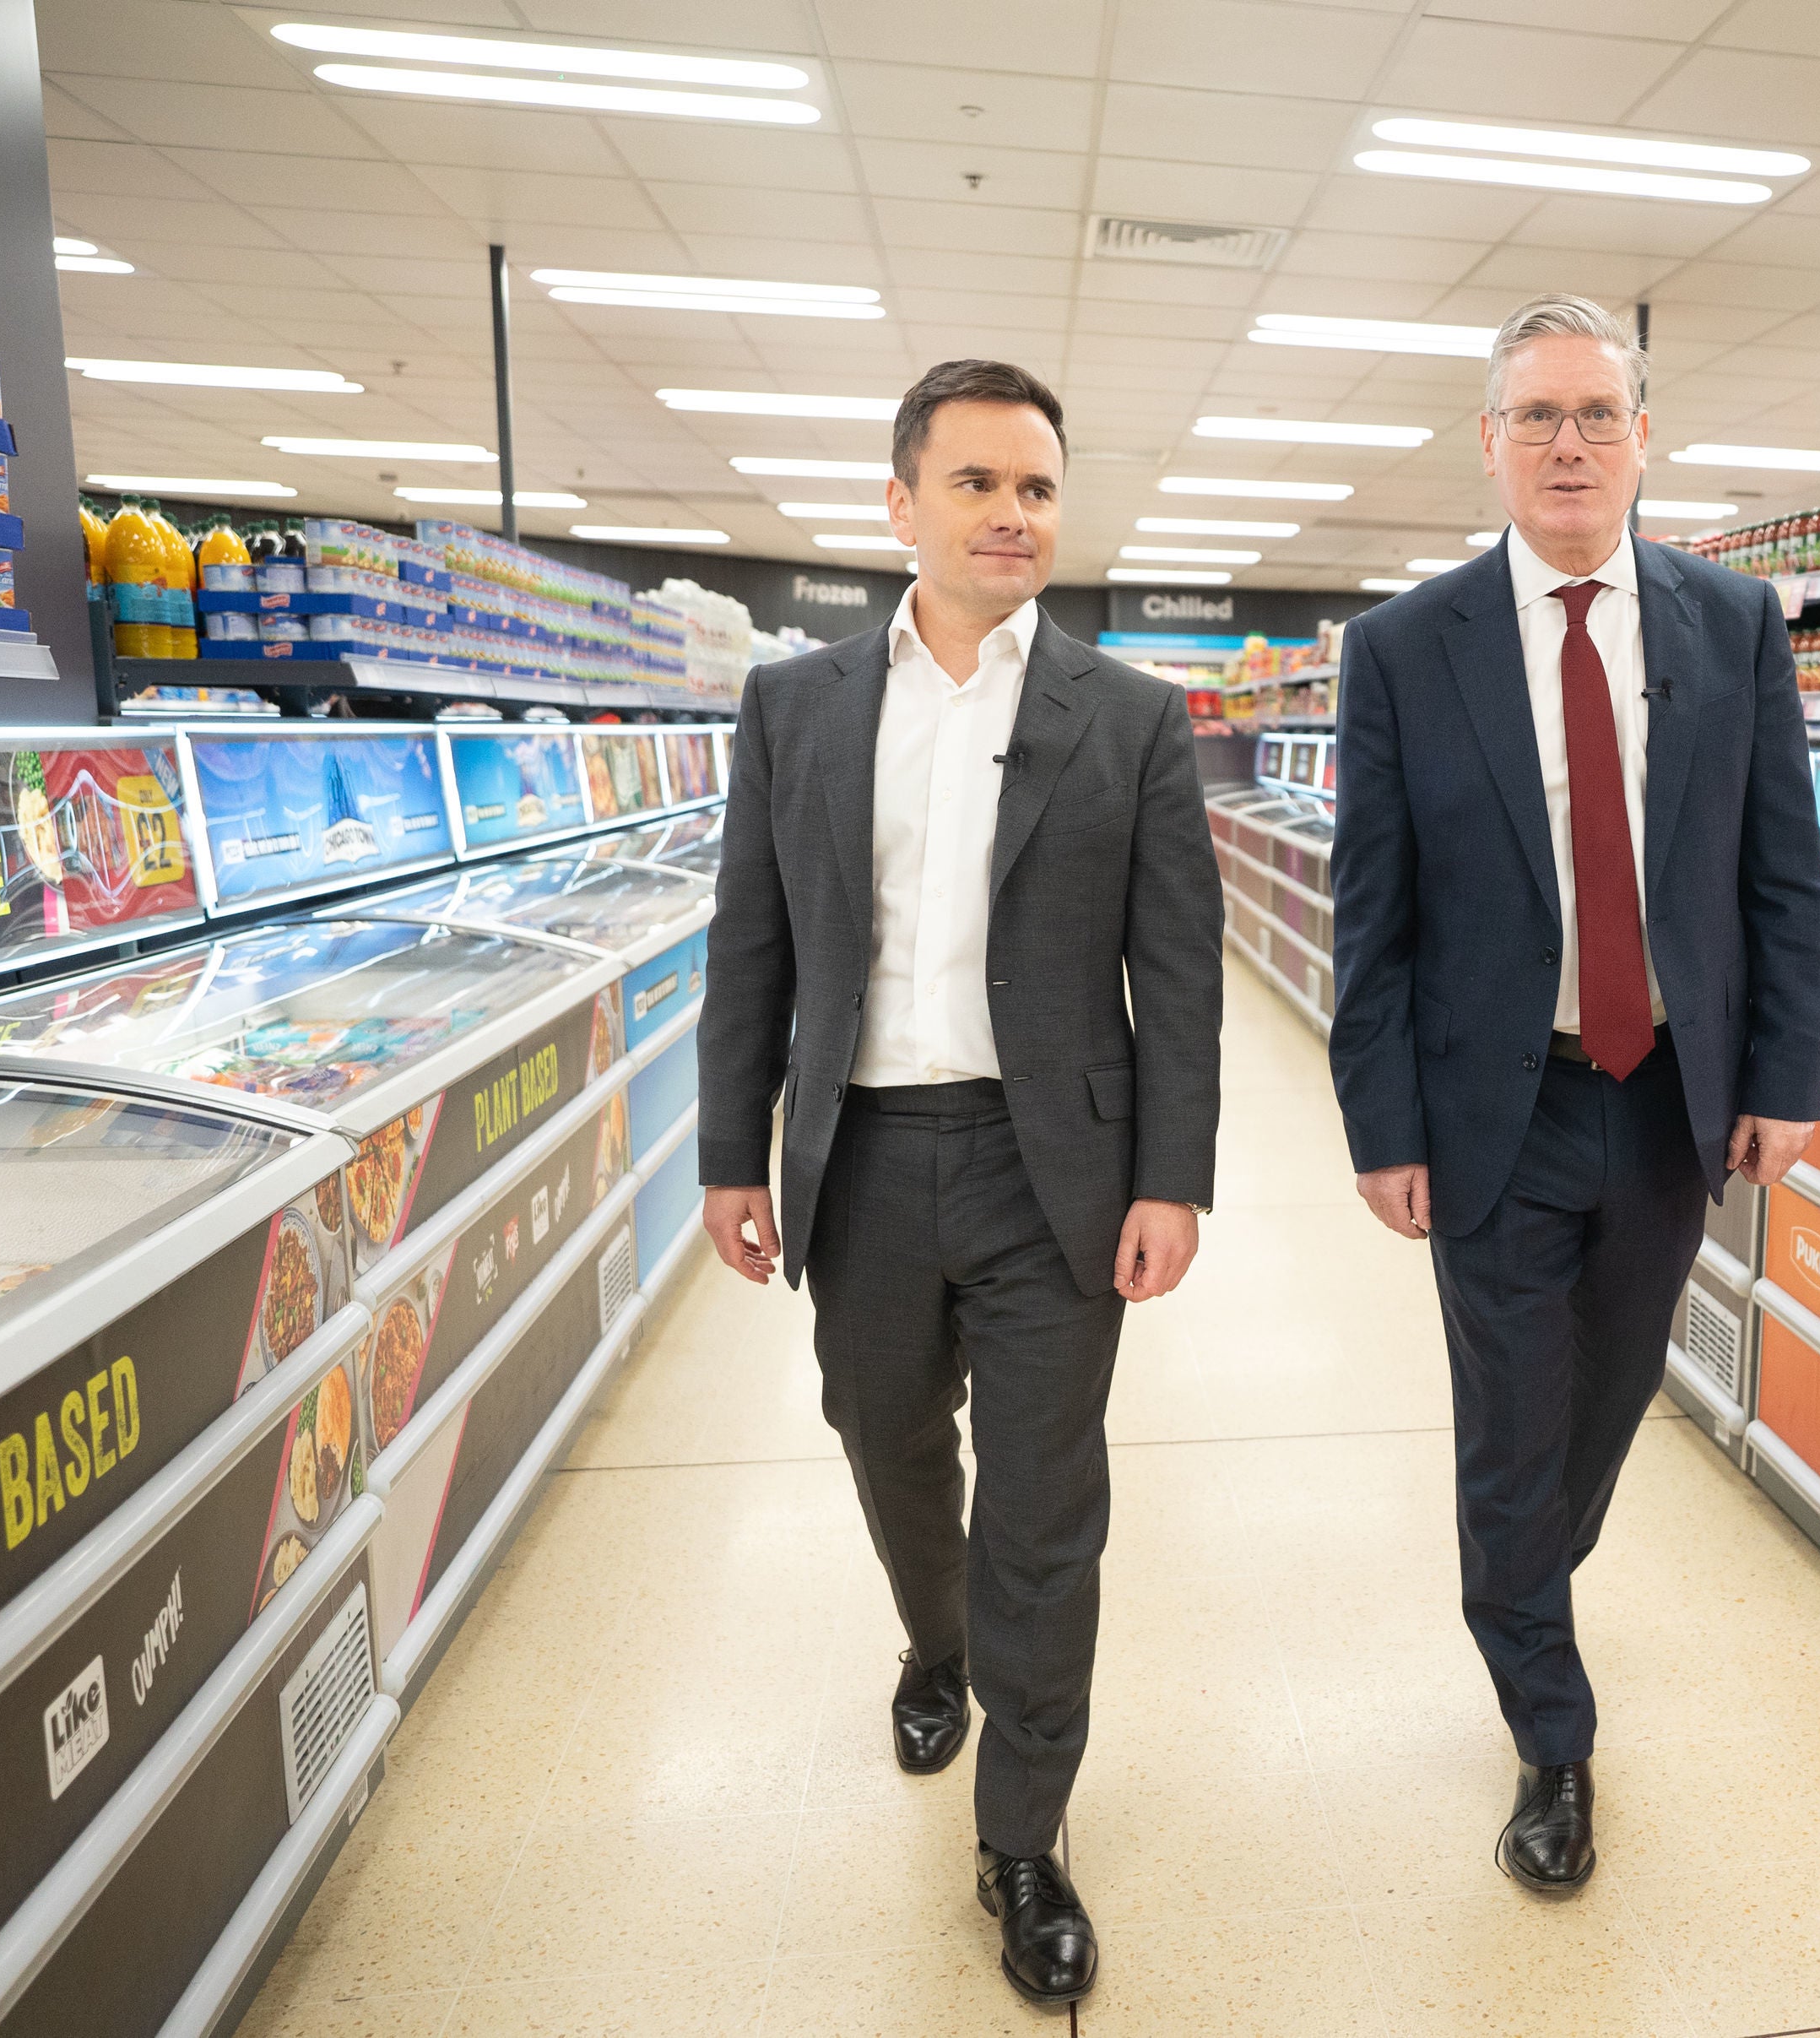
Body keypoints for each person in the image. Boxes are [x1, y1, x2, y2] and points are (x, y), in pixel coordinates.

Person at [695, 357, 1224, 2003]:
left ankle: (1022, 1837)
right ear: (902, 501)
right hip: (858, 1152)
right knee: (885, 1438)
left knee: (1048, 1503)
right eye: (980, 483)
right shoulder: (797, 707)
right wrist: (731, 1152)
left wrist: (1175, 1177)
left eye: (1040, 488)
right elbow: (752, 945)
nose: (1013, 514)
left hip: (1046, 1160)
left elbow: (1181, 972)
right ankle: (938, 1640)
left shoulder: (1125, 719)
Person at [1325, 294, 1820, 1892]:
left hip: (1669, 1097)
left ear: (1640, 439)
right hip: (1498, 1104)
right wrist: (1381, 1123)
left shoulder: (1732, 624)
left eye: (1595, 414)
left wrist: (1788, 1077)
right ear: (1489, 444)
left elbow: (1782, 879)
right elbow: (1374, 910)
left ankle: (1524, 1573)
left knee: (1603, 1410)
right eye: (1536, 416)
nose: (1567, 442)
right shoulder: (1406, 648)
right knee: (1509, 1427)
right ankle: (1554, 1733)